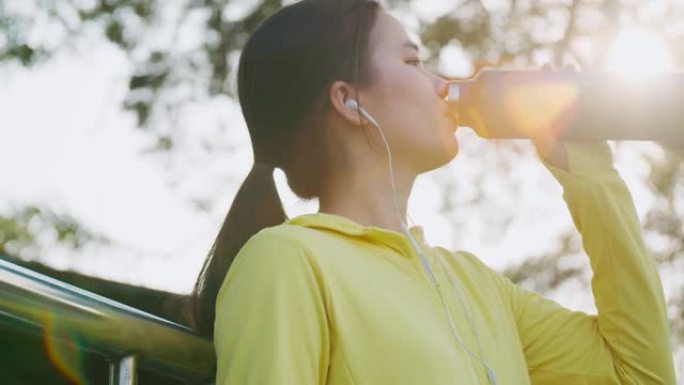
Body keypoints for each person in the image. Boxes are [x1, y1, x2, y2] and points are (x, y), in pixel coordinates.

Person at [187, 0, 677, 384]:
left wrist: (589, 174)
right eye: (414, 60)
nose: (442, 85)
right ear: (349, 100)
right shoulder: (287, 261)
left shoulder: (477, 287)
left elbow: (639, 374)